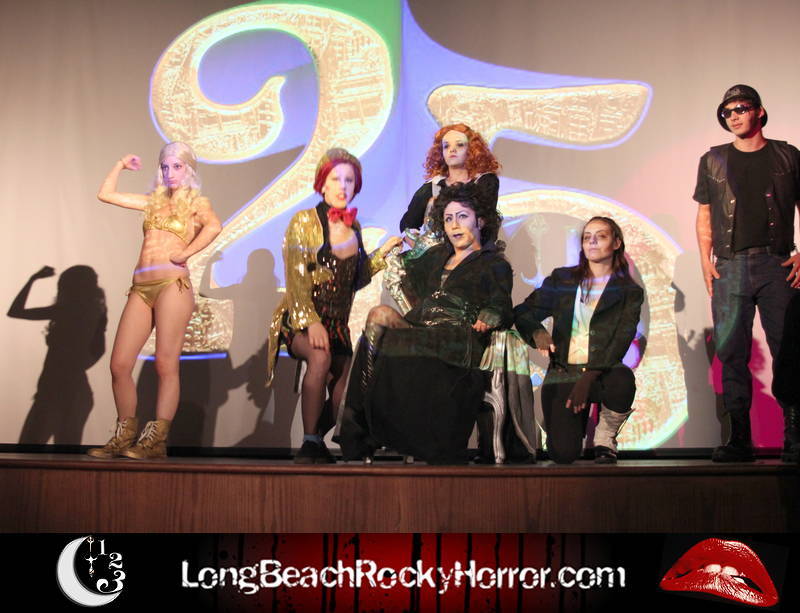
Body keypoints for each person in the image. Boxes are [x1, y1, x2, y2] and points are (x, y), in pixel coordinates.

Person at [339, 182, 513, 464]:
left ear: (480, 221)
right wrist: (386, 249)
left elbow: (502, 302)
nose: (454, 225)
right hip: (422, 330)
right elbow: (403, 252)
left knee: (398, 344)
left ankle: (381, 432)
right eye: (448, 218)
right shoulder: (434, 257)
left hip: (458, 337)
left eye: (462, 216)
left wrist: (491, 313)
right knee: (378, 316)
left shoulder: (493, 264)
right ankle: (358, 429)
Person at [87, 142, 222, 460]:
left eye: (177, 166)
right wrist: (120, 164)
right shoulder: (153, 203)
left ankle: (155, 441)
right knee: (119, 364)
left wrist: (186, 252)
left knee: (165, 363)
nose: (170, 172)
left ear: (188, 169)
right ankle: (124, 435)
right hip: (141, 288)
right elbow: (106, 194)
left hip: (172, 285)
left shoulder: (196, 203)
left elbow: (214, 226)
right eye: (165, 166)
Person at [266, 148, 401, 464]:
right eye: (336, 179)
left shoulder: (354, 228)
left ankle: (320, 440)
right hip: (301, 318)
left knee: (345, 391)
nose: (343, 186)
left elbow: (357, 278)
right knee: (320, 356)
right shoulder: (304, 221)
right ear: (322, 184)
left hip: (337, 324)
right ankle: (309, 443)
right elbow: (296, 277)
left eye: (349, 180)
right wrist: (310, 322)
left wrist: (384, 252)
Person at [693, 84, 800, 462]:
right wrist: (705, 259)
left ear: (759, 111)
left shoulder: (787, 156)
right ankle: (738, 437)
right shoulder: (713, 160)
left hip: (777, 263)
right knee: (732, 352)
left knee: (788, 349)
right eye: (727, 112)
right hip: (731, 265)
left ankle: (794, 435)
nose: (734, 116)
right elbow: (705, 213)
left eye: (740, 108)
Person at [515, 217, 643, 464]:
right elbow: (523, 312)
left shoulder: (629, 291)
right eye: (587, 237)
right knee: (563, 454)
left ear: (616, 243)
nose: (592, 241)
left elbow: (621, 339)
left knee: (622, 378)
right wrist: (537, 333)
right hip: (565, 371)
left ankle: (605, 438)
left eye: (601, 236)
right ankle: (569, 423)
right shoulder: (562, 279)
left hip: (602, 372)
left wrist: (589, 376)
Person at [399, 123, 500, 238]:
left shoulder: (484, 181)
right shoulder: (431, 187)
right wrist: (422, 246)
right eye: (446, 146)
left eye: (460, 145)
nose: (452, 150)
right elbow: (407, 226)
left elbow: (485, 221)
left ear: (471, 150)